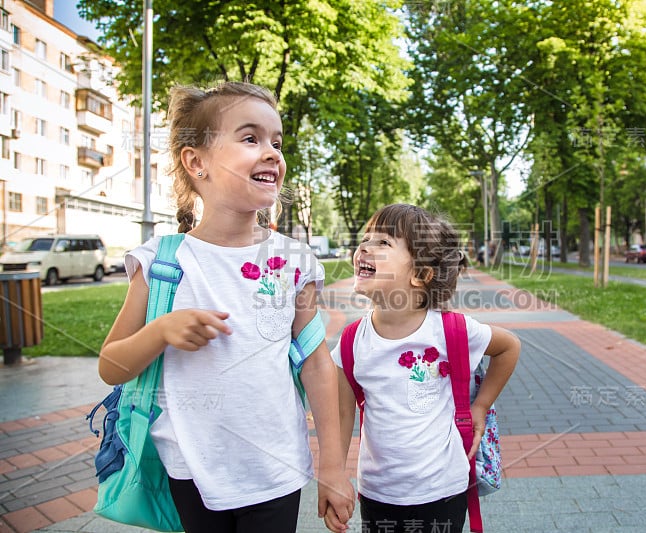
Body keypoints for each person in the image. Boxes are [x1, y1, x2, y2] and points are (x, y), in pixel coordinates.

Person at [98, 81, 354, 533]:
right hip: (190, 470)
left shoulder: (295, 261)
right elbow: (111, 366)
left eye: (277, 141)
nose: (273, 152)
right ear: (197, 162)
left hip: (277, 470)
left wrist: (332, 469)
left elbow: (316, 364)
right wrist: (160, 332)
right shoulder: (161, 262)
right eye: (251, 138)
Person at [330, 203, 520, 532]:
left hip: (443, 491)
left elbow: (509, 347)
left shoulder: (451, 331)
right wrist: (333, 475)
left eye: (383, 243)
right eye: (366, 238)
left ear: (419, 275)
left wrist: (481, 406)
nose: (364, 247)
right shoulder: (351, 343)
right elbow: (343, 415)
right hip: (378, 495)